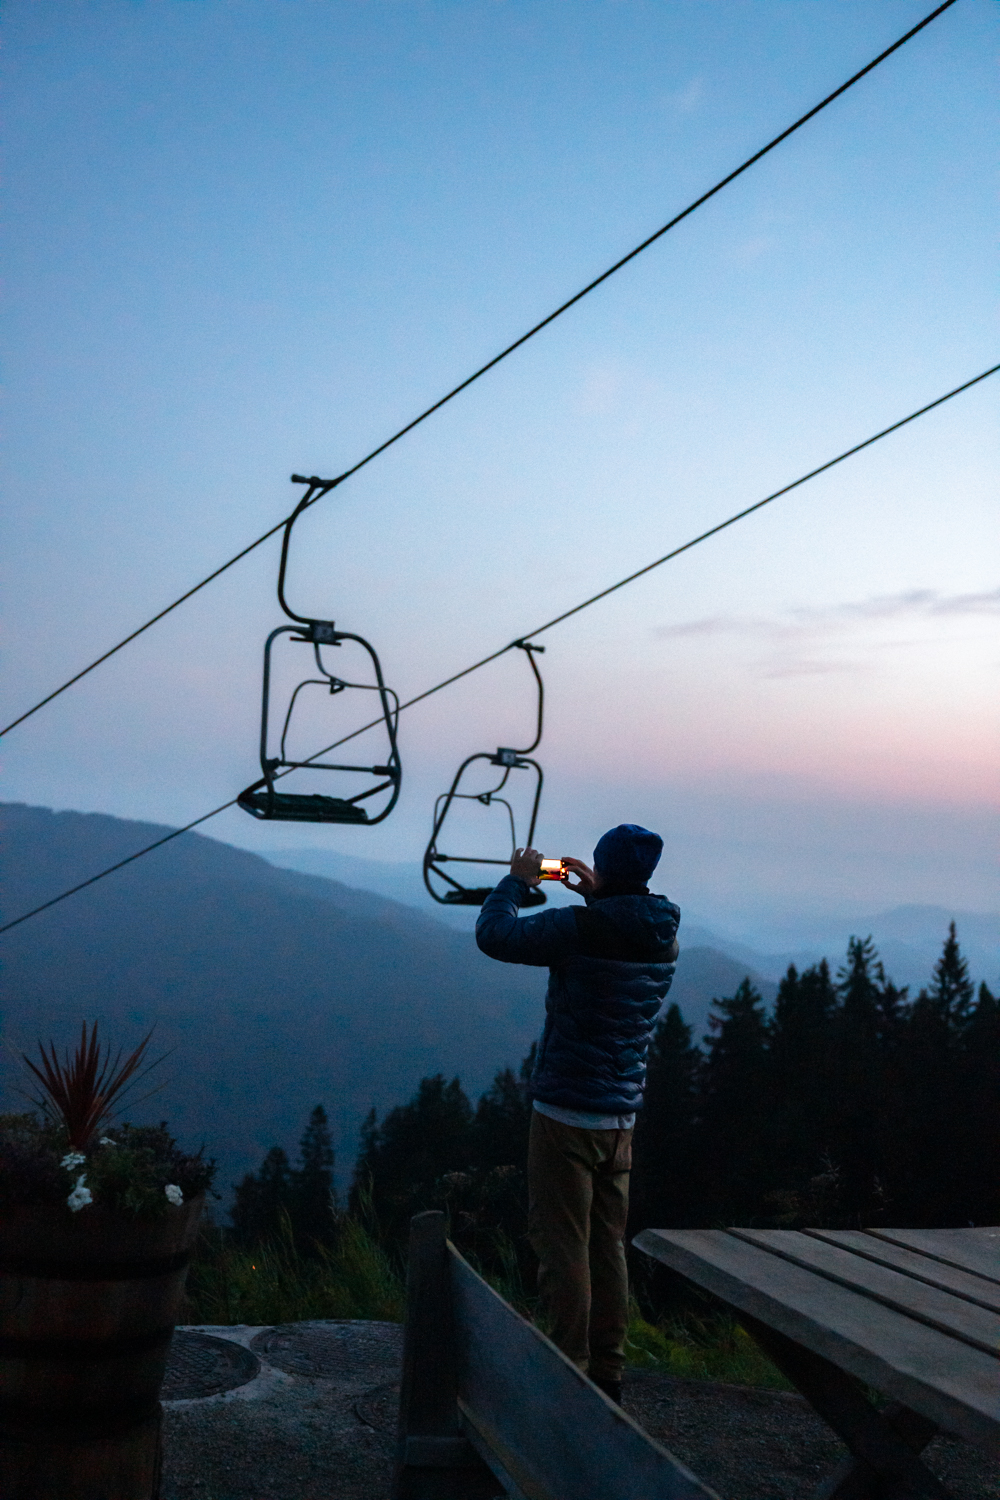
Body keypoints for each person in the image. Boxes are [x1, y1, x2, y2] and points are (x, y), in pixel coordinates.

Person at [475, 824, 679, 1405]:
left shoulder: (578, 930)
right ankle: (607, 1375)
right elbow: (622, 934)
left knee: (562, 1248)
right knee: (607, 1247)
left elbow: (495, 936)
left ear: (603, 865)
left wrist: (515, 883)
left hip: (565, 1114)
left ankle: (565, 1377)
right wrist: (601, 897)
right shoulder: (663, 937)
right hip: (621, 1120)